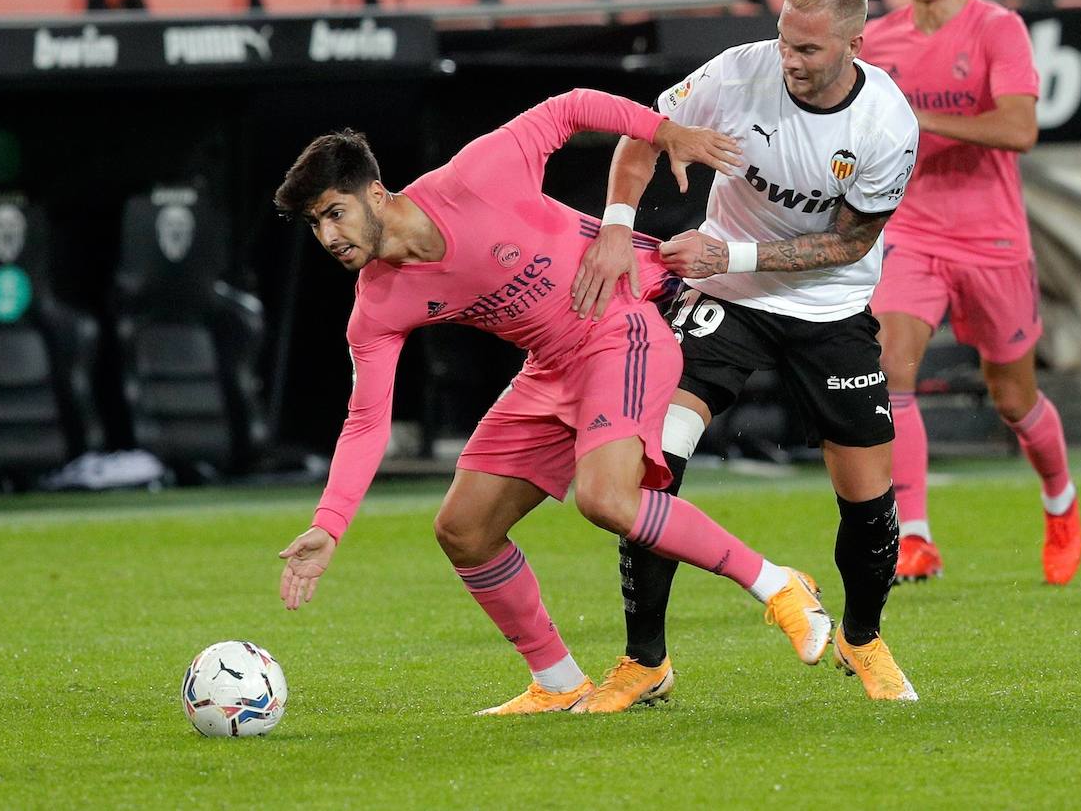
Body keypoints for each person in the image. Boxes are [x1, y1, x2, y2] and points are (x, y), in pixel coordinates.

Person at [271, 88, 834, 716]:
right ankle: (559, 681)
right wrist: (329, 524)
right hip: (549, 369)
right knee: (464, 529)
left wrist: (664, 131)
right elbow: (367, 419)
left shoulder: (476, 177)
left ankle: (778, 584)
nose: (328, 235)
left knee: (606, 499)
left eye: (334, 212)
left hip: (623, 324)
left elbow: (570, 107)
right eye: (316, 223)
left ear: (375, 193)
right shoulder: (378, 303)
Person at [570, 0, 921, 709]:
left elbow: (852, 242)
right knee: (650, 464)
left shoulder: (886, 125)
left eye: (810, 51)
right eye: (785, 40)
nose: (789, 60)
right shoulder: (737, 73)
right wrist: (618, 227)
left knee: (867, 500)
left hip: (828, 306)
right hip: (723, 297)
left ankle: (862, 637)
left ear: (856, 42)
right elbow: (641, 136)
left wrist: (734, 252)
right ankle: (646, 661)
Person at [859, 0, 1081, 586]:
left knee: (1013, 398)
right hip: (914, 232)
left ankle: (1060, 500)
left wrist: (914, 118)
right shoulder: (879, 40)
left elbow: (1019, 128)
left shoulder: (997, 29)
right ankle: (914, 537)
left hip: (992, 240)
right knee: (891, 366)